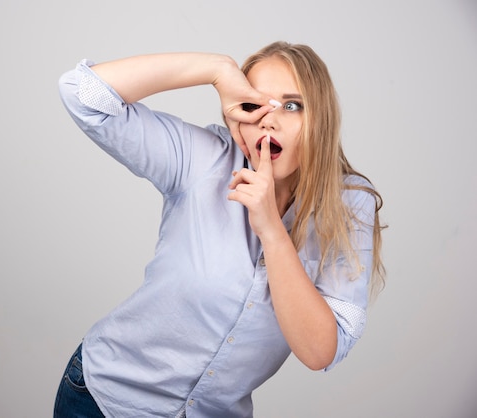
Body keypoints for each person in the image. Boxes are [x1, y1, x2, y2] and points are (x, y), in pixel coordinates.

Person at [54, 41, 385, 418]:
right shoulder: (204, 158)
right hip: (105, 400)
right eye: (253, 103)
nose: (269, 119)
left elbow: (319, 351)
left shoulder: (350, 206)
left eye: (292, 105)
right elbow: (82, 93)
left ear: (321, 118)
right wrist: (215, 69)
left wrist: (272, 231)